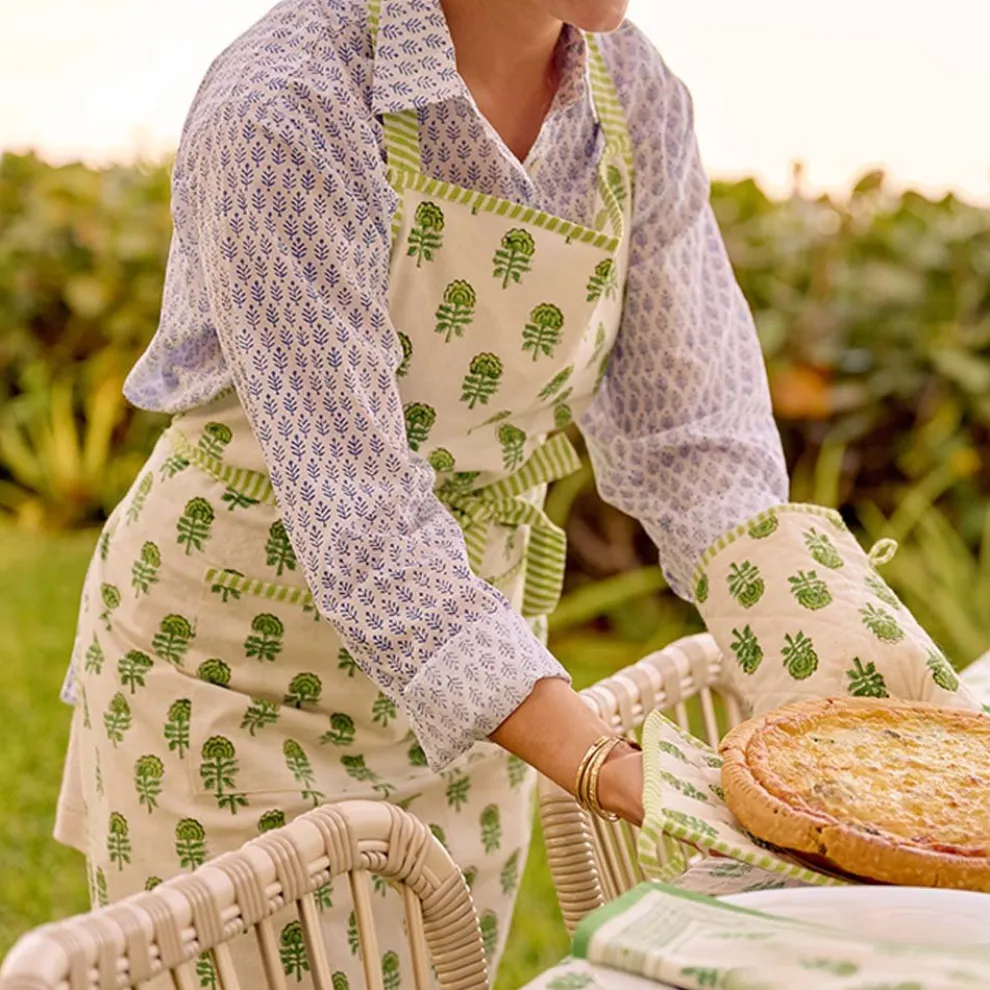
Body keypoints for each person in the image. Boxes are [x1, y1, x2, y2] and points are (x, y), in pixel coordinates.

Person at [53, 0, 982, 985]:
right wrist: (602, 763)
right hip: (237, 683)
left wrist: (879, 706)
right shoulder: (286, 106)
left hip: (483, 681)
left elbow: (696, 443)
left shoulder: (629, 92)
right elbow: (361, 517)